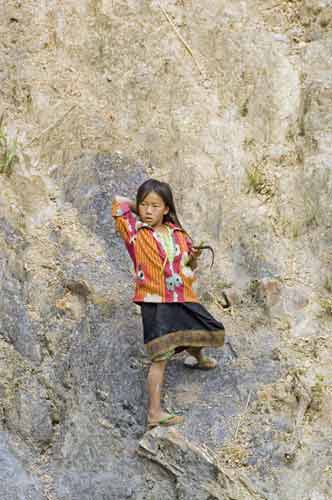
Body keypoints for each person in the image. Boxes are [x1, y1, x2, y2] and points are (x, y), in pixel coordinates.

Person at [112, 179, 225, 430]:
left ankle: (196, 356)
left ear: (166, 208)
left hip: (183, 296)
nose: (148, 210)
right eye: (144, 205)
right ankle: (154, 413)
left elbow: (188, 266)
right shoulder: (134, 232)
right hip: (154, 301)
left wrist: (193, 258)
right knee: (160, 356)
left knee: (210, 328)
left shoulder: (179, 234)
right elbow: (119, 203)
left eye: (155, 205)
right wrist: (137, 203)